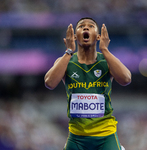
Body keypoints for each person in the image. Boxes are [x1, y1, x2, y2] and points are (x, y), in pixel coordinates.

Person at [44, 17, 131, 150]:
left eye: (90, 26)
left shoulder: (107, 61)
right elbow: (49, 83)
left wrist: (105, 50)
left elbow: (126, 79)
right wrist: (68, 52)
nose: (85, 28)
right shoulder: (65, 62)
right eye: (81, 26)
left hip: (106, 135)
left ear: (98, 36)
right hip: (77, 137)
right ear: (74, 36)